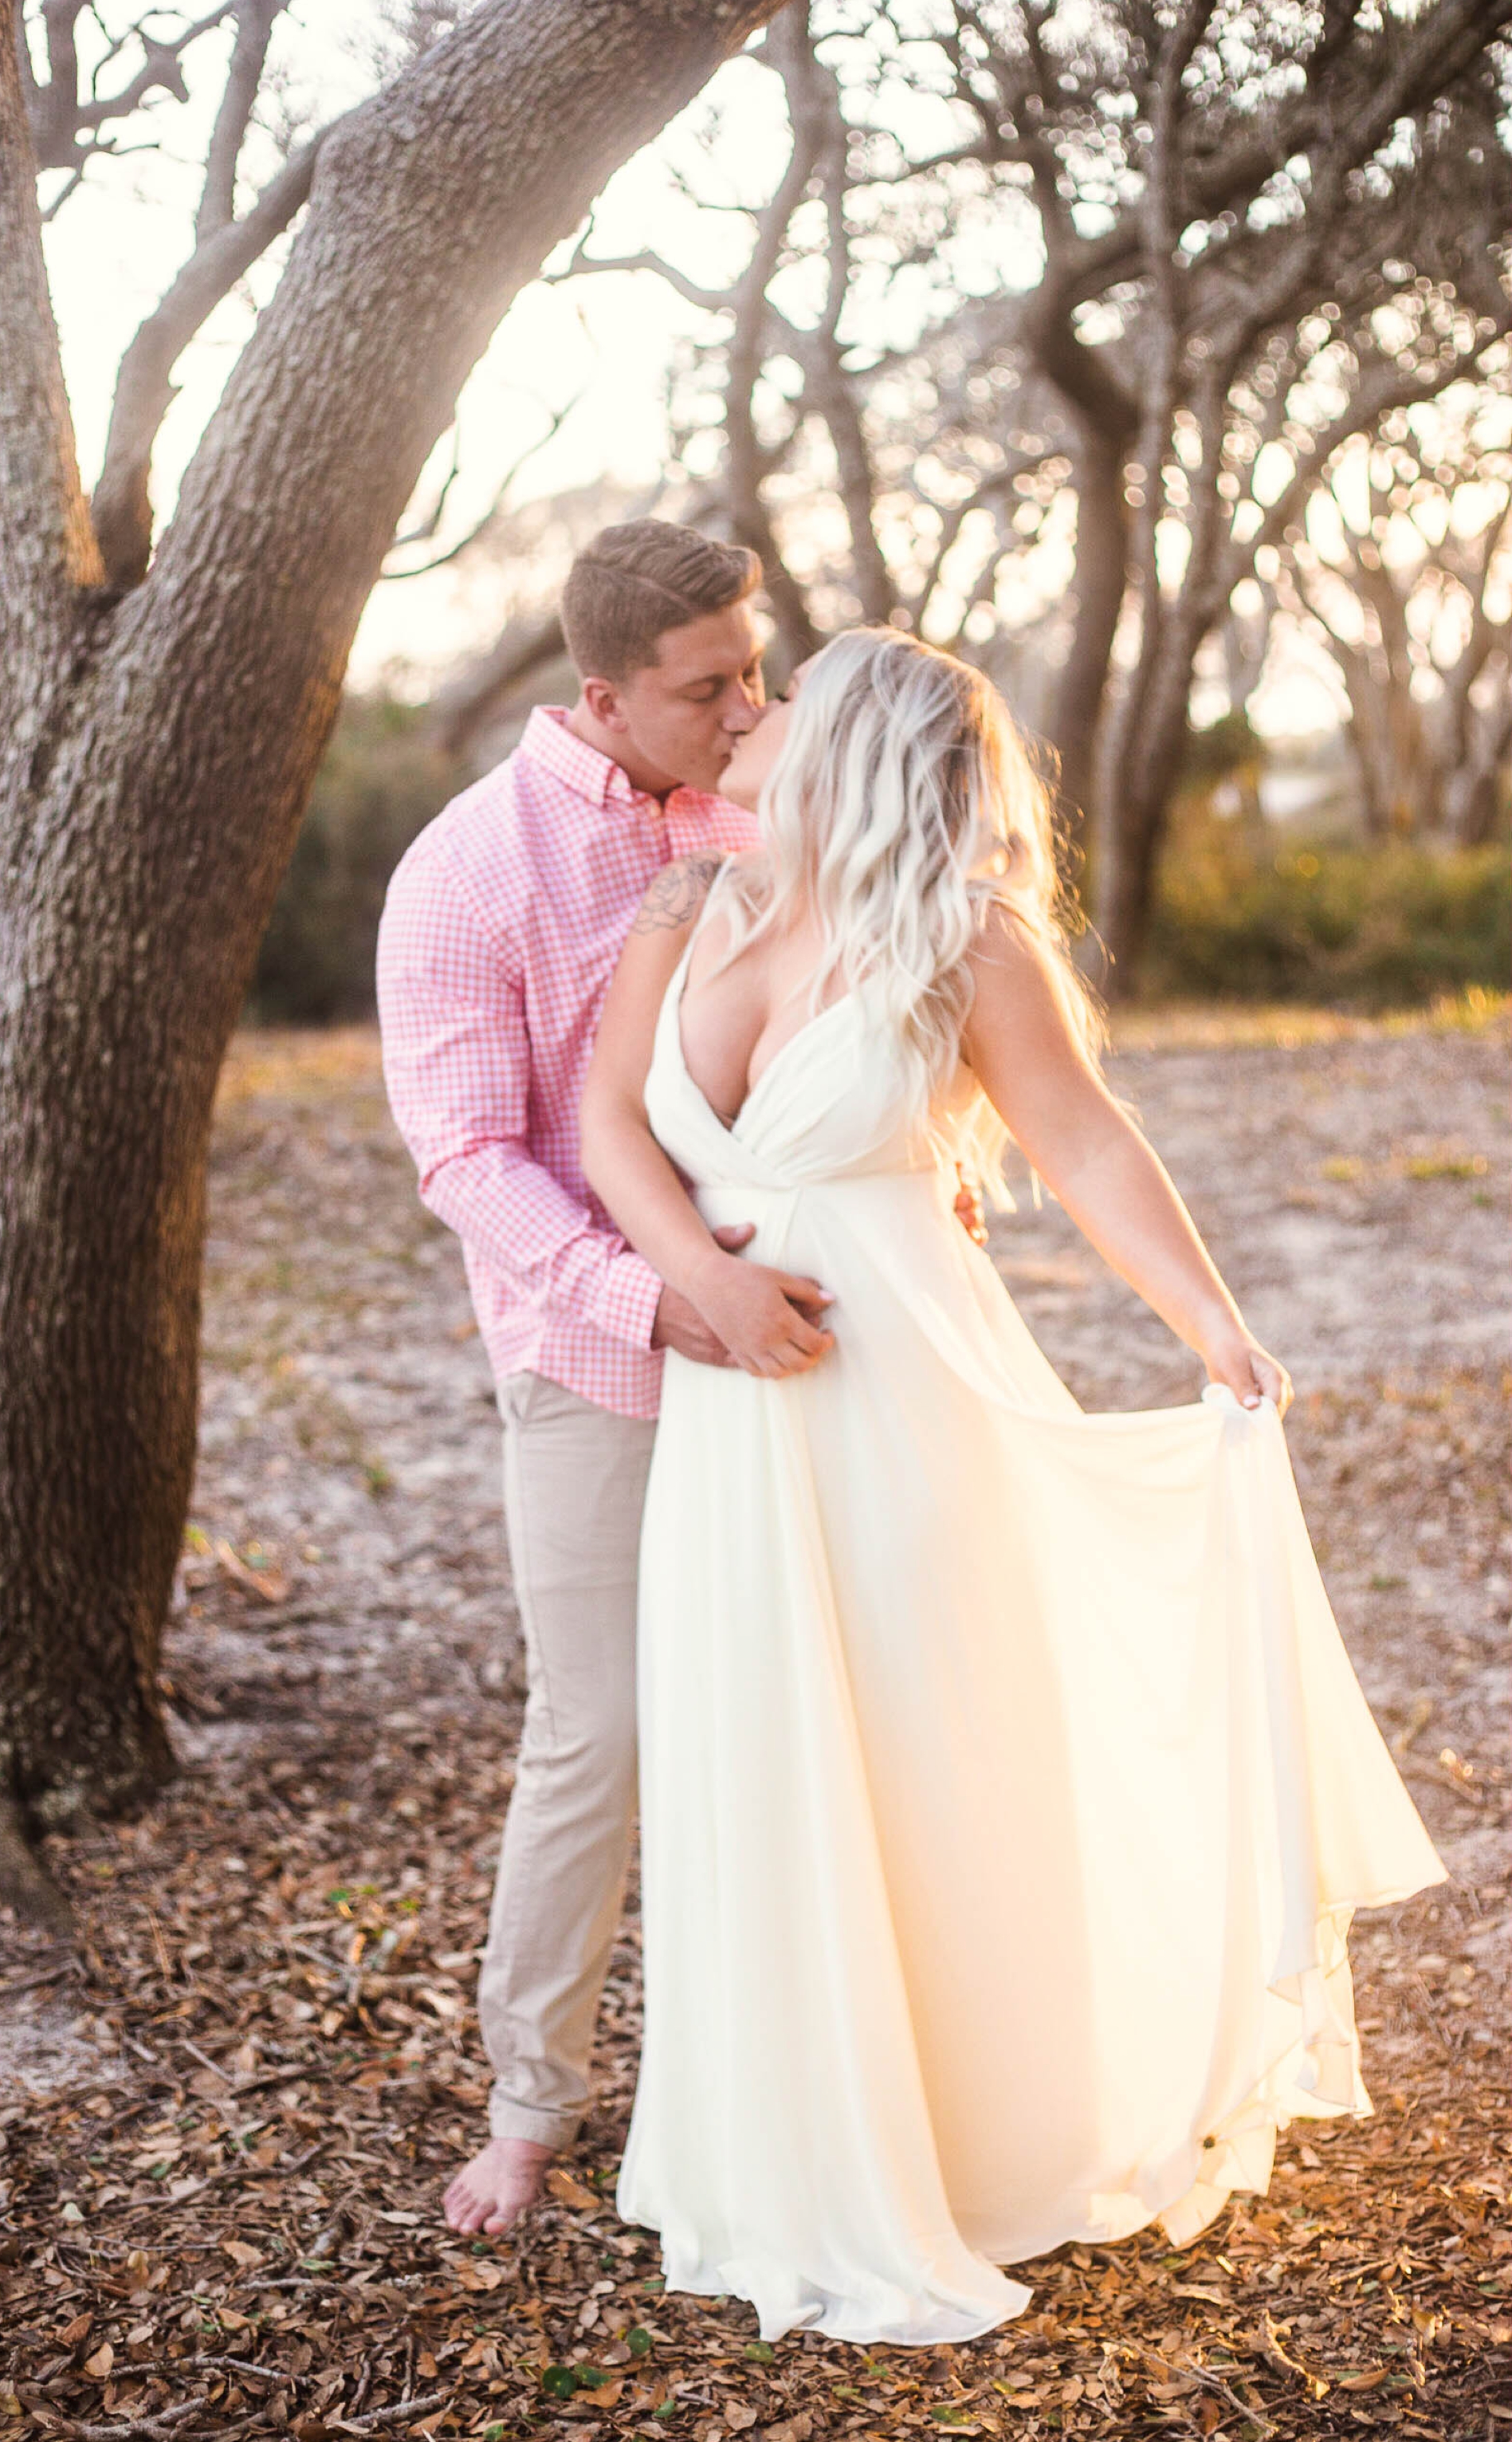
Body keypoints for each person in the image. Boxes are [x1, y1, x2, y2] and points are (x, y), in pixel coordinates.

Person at [579, 627, 1447, 2346]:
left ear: (854, 750)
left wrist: (1211, 1317)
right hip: (735, 1408)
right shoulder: (685, 911)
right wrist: (700, 1275)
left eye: (782, 702)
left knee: (924, 1752)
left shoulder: (963, 944)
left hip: (901, 1400)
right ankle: (779, 2145)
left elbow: (1086, 1139)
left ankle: (970, 2142)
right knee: (752, 1741)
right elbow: (610, 1119)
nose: (745, 719)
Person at [376, 524, 984, 2235]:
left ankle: (862, 2075)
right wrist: (660, 1296)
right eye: (706, 686)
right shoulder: (465, 872)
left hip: (813, 1332)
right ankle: (525, 2108)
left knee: (844, 1694)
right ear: (602, 697)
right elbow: (468, 1159)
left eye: (755, 667)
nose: (749, 707)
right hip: (601, 1356)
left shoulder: (761, 798)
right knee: (605, 1725)